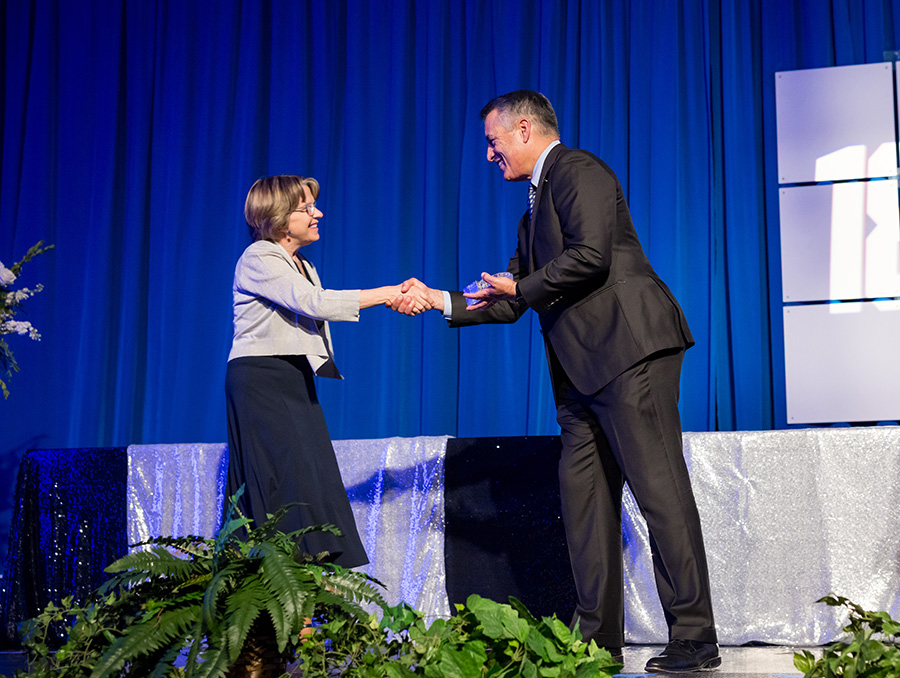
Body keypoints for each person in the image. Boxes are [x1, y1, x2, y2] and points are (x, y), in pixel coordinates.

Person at [394, 91, 720, 671]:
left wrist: (518, 288)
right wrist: (440, 299)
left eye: (494, 143)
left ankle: (695, 638)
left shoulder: (578, 170)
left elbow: (591, 256)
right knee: (585, 506)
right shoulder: (531, 213)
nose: (490, 155)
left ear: (524, 129)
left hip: (628, 354)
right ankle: (599, 644)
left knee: (660, 495)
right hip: (577, 376)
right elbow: (509, 298)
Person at [226, 174, 427, 568]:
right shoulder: (260, 257)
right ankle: (279, 593)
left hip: (291, 377)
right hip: (262, 379)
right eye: (307, 208)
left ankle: (307, 589)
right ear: (282, 218)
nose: (318, 213)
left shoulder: (301, 263)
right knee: (284, 483)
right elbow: (314, 303)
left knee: (311, 479)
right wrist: (390, 293)